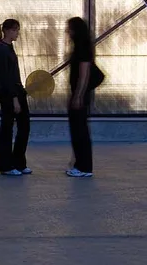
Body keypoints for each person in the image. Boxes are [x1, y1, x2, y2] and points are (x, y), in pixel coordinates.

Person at [0, 18, 31, 177]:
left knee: (24, 126)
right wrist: (14, 99)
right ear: (7, 31)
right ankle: (6, 165)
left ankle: (18, 162)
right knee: (7, 129)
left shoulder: (8, 48)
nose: (17, 33)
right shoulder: (2, 50)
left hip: (17, 92)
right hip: (9, 95)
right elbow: (5, 78)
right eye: (15, 30)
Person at [66, 16, 94, 178]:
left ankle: (84, 167)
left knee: (80, 131)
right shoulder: (79, 46)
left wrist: (78, 96)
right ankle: (79, 163)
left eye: (69, 28)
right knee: (77, 131)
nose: (67, 31)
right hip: (78, 94)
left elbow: (84, 74)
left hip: (80, 96)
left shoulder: (83, 48)